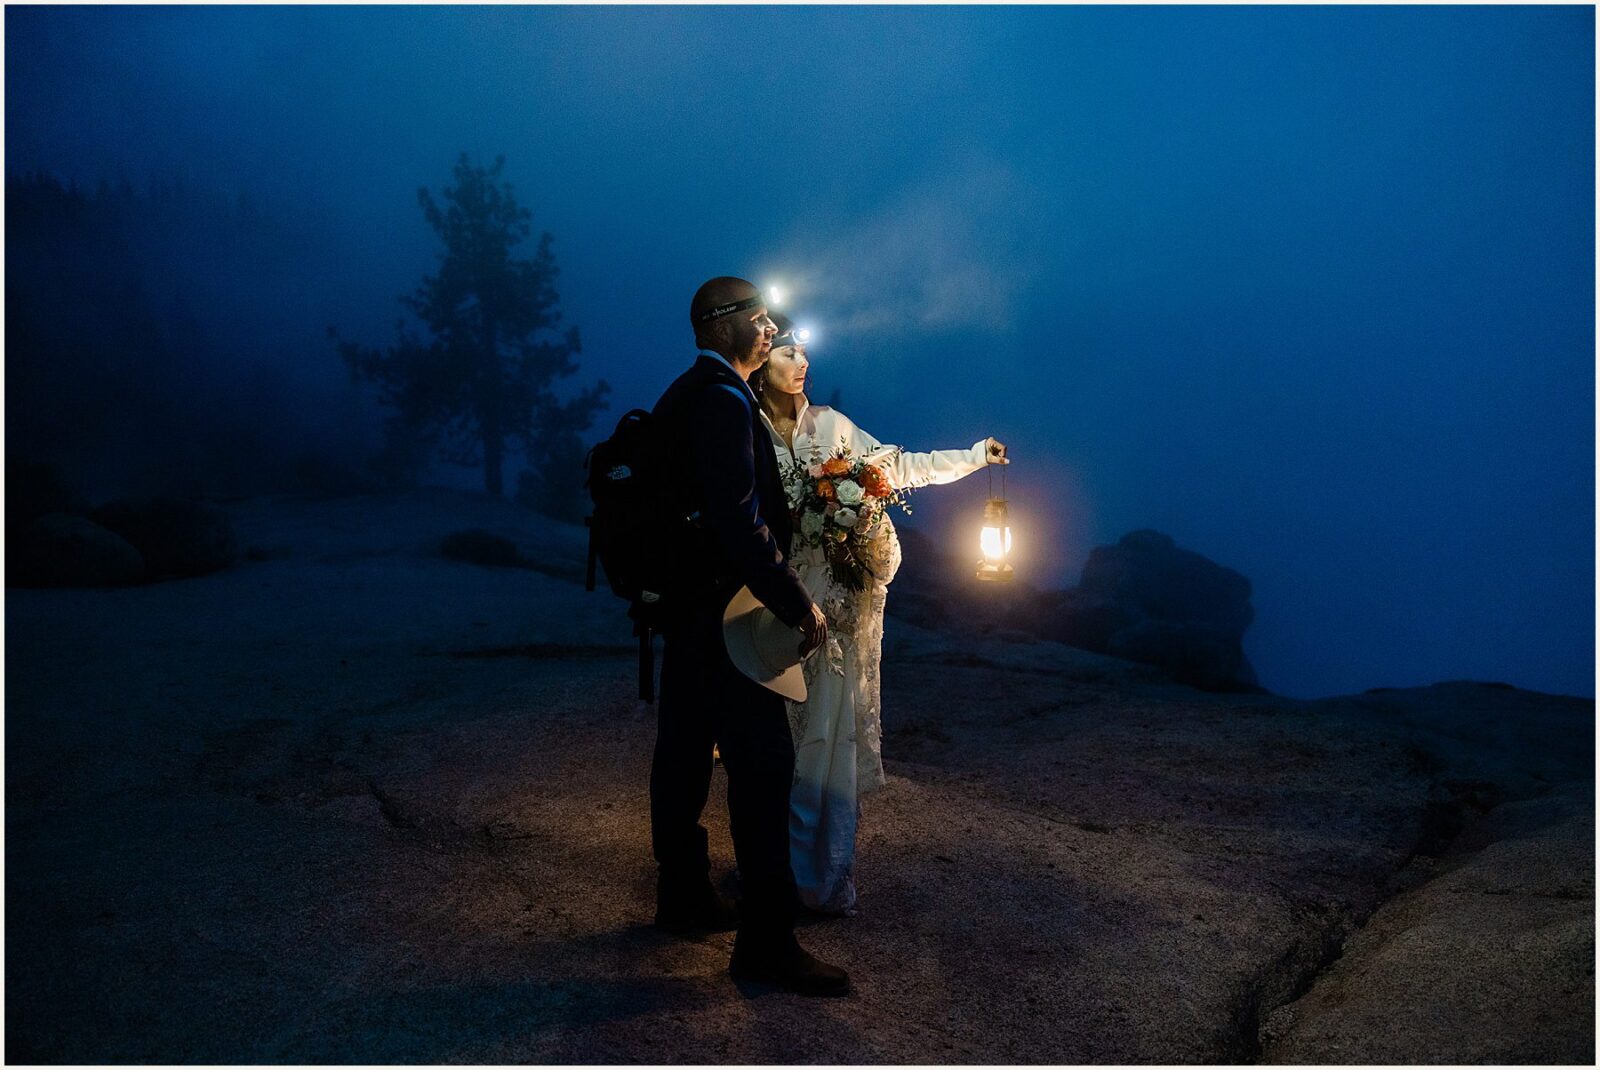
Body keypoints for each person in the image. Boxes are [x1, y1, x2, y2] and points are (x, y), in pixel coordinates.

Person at [751, 313, 1008, 915]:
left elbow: (900, 467)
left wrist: (974, 456)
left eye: (805, 352)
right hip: (774, 604)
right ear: (762, 360)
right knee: (776, 742)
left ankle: (824, 877)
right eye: (787, 353)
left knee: (827, 738)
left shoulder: (832, 426)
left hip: (835, 613)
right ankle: (774, 872)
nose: (801, 363)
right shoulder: (751, 430)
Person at [647, 277, 848, 997]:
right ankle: (768, 943)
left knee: (683, 751)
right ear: (717, 323)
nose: (770, 330)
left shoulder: (684, 395)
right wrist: (797, 605)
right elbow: (737, 521)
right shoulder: (724, 401)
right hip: (726, 619)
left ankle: (684, 894)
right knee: (764, 769)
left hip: (685, 612)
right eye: (757, 319)